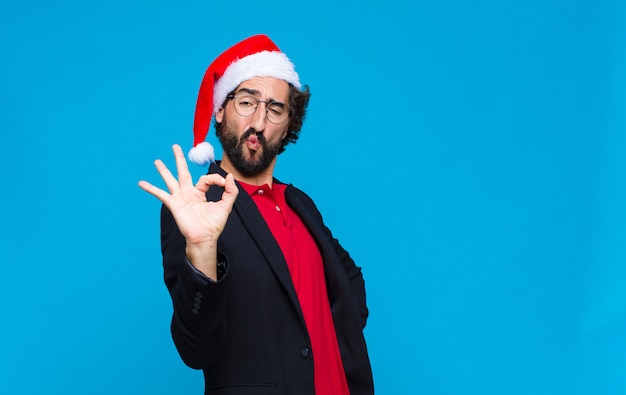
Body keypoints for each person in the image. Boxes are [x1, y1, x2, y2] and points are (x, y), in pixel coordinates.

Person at [139, 34, 374, 395]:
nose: (259, 122)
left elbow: (350, 281)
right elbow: (195, 349)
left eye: (275, 109)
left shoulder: (300, 203)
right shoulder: (196, 208)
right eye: (247, 102)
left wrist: (338, 337)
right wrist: (202, 249)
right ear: (221, 110)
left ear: (288, 124)